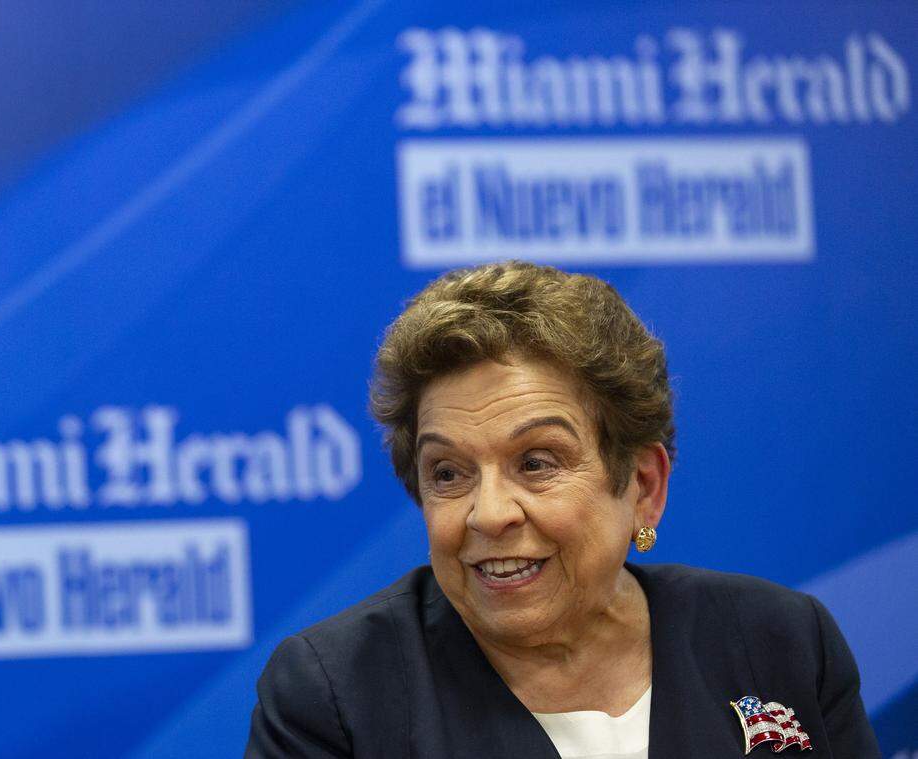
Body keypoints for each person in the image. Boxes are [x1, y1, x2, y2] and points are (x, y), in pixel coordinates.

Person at [245, 262, 879, 758]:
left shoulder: (782, 641)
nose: (489, 514)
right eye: (448, 472)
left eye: (537, 463)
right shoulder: (336, 695)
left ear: (642, 485)